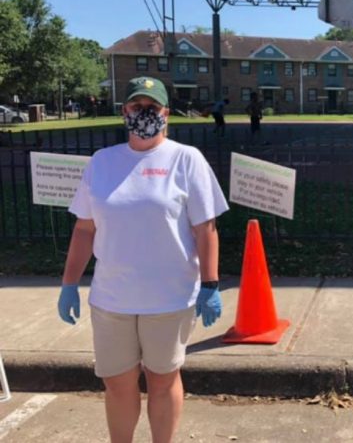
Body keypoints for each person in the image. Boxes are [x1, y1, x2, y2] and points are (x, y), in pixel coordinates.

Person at [57, 76, 229, 443]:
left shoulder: (186, 159)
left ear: (166, 113)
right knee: (117, 384)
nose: (144, 114)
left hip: (169, 298)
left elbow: (206, 229)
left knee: (163, 380)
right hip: (112, 299)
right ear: (124, 111)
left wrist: (210, 284)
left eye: (152, 107)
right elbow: (85, 230)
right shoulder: (102, 162)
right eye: (137, 107)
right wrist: (69, 283)